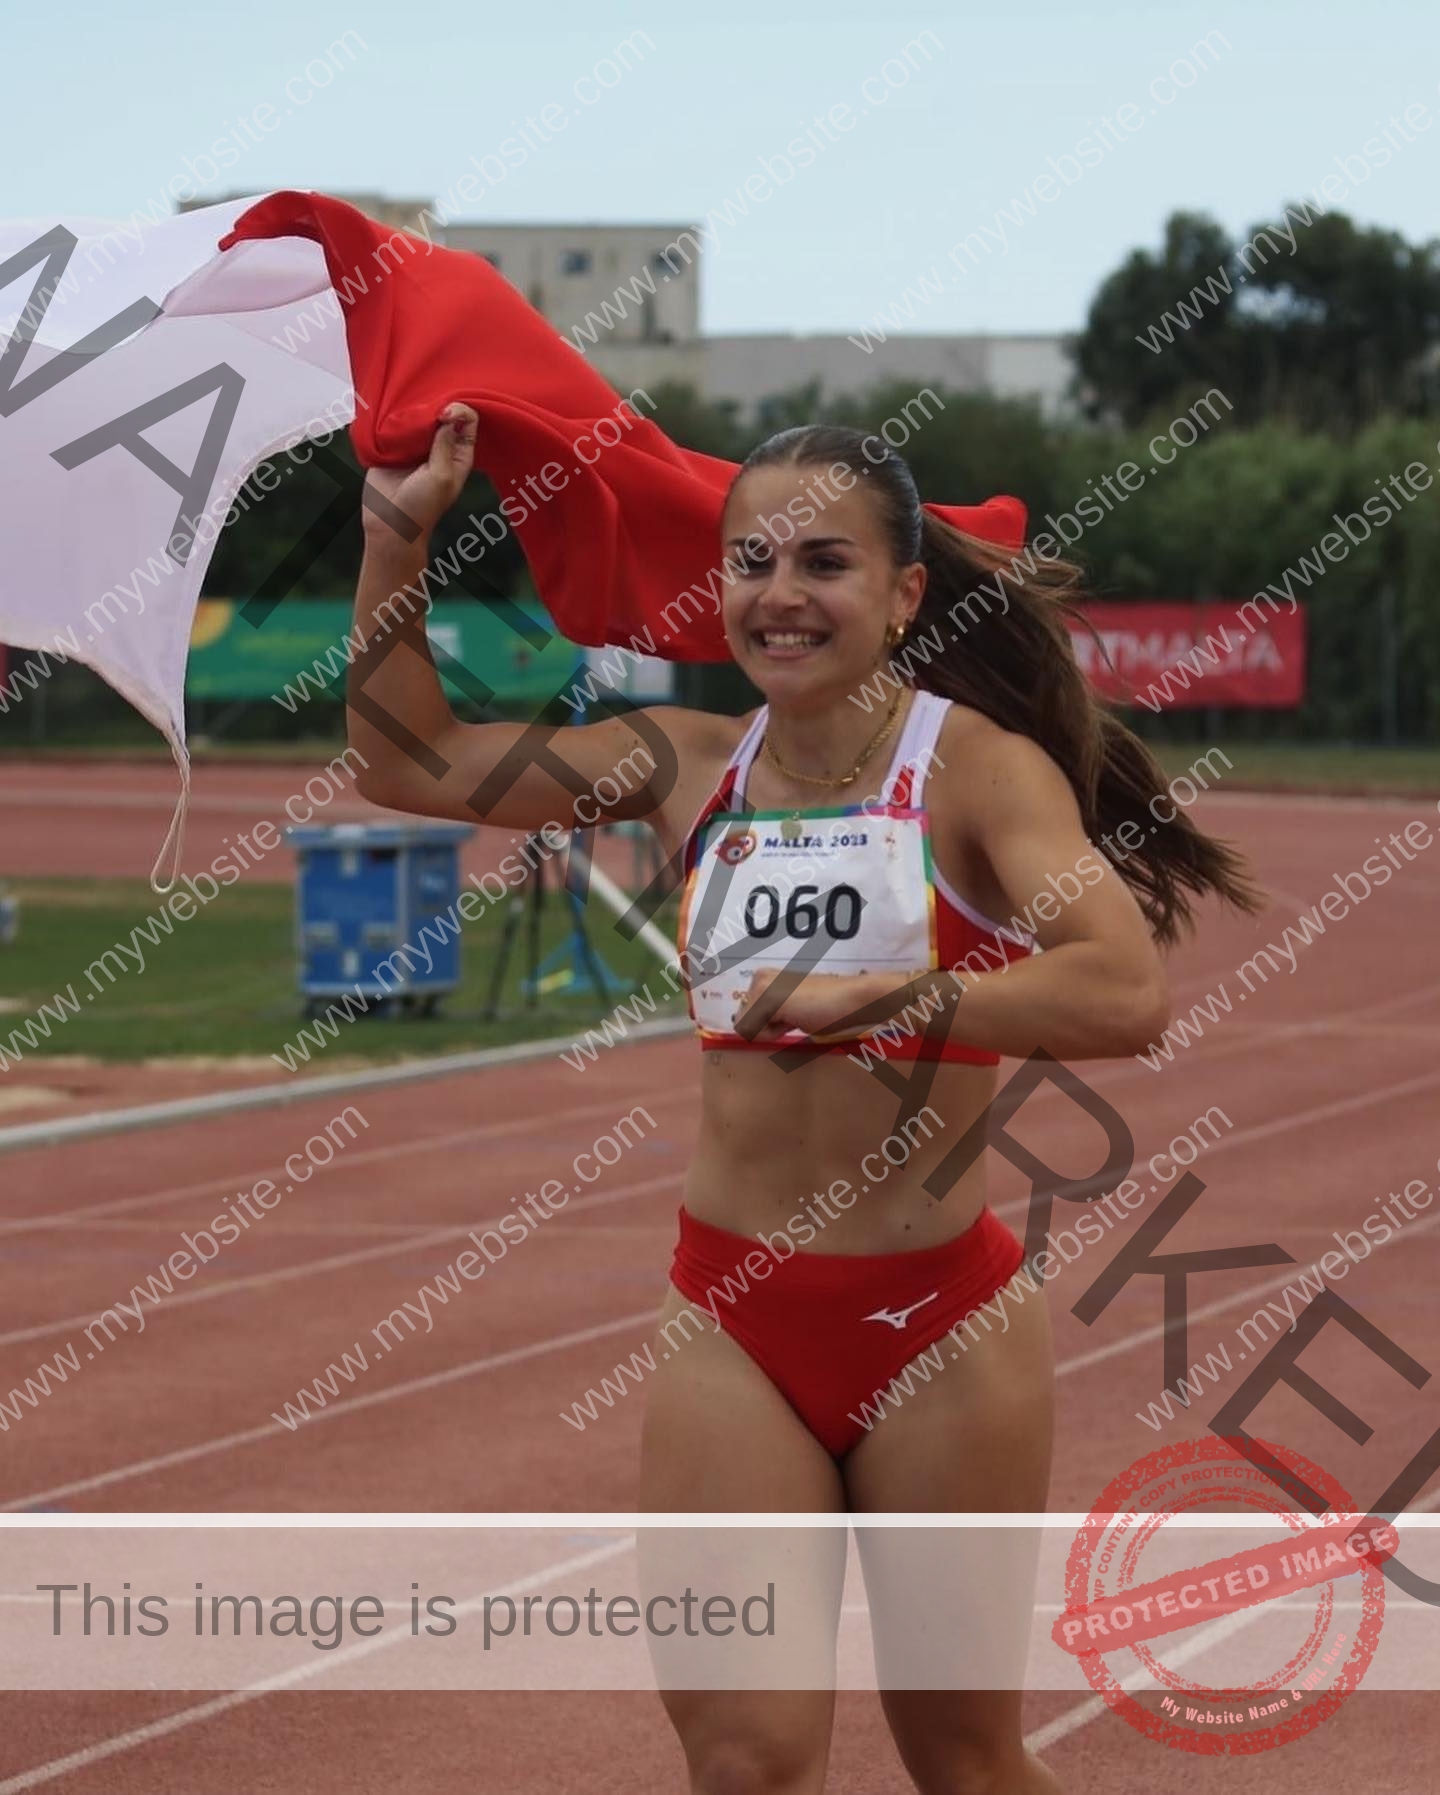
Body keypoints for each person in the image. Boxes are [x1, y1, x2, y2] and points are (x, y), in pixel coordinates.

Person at [348, 403, 1263, 1794]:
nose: (781, 594)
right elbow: (404, 761)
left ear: (902, 594)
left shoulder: (976, 774)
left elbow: (1123, 993)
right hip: (734, 1317)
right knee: (749, 1759)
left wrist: (897, 999)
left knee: (963, 1762)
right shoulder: (683, 765)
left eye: (824, 563)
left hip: (941, 1329)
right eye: (754, 561)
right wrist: (397, 533)